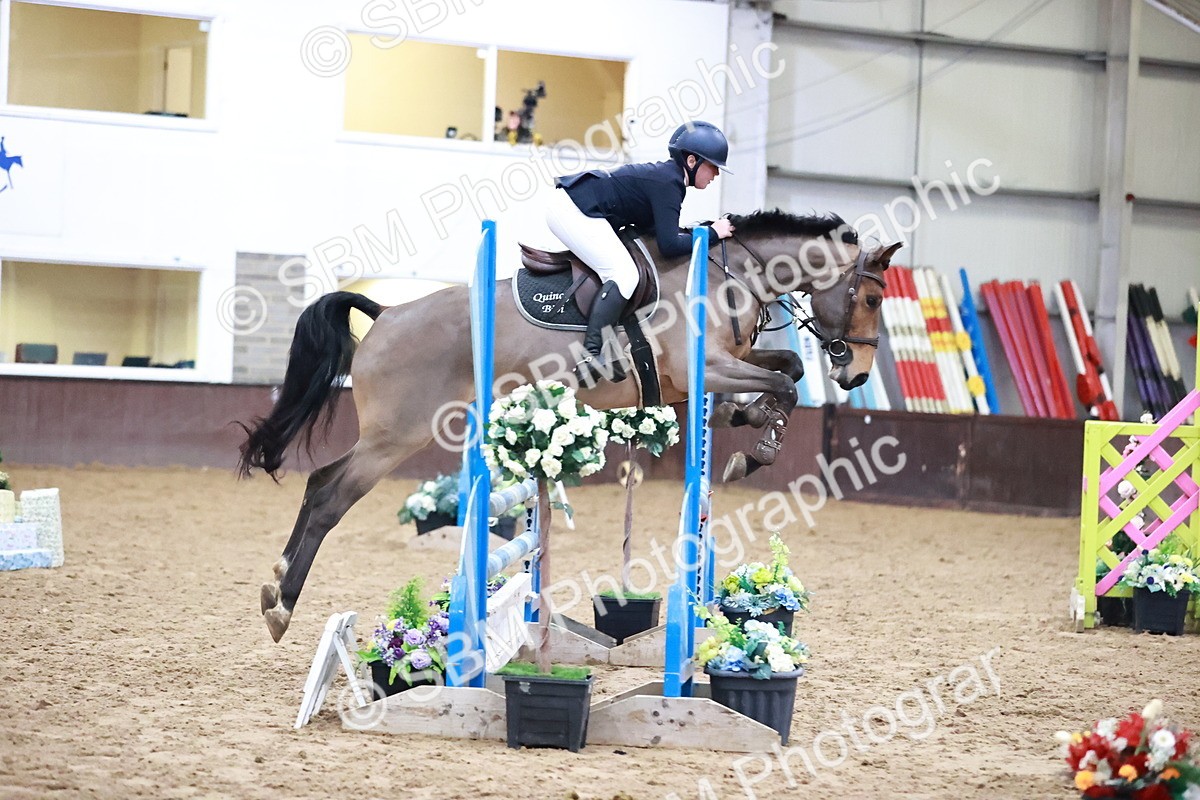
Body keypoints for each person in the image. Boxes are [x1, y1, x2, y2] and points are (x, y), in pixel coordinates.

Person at [547, 120, 736, 385]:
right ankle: (591, 355)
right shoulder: (669, 182)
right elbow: (669, 246)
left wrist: (703, 232)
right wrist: (712, 234)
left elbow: (660, 233)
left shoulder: (669, 179)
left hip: (582, 207)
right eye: (713, 166)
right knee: (624, 275)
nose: (715, 174)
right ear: (692, 161)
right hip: (573, 210)